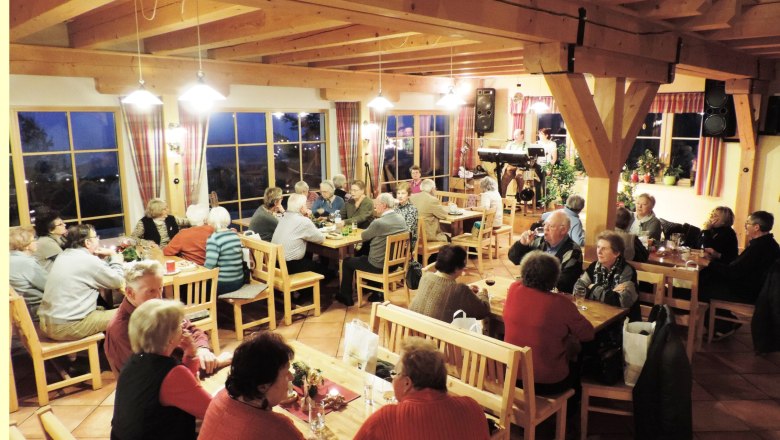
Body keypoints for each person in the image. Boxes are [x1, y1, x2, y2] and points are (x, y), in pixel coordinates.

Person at [105, 260, 230, 376]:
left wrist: (202, 349)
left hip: (184, 371)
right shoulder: (120, 329)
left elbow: (192, 330)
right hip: (160, 389)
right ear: (130, 293)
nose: (159, 297)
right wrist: (217, 362)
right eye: (151, 291)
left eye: (160, 288)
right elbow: (153, 375)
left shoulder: (158, 308)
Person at [111, 299, 211, 440]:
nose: (183, 327)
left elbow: (181, 389)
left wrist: (190, 353)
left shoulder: (133, 362)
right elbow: (211, 410)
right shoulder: (172, 373)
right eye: (179, 324)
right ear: (169, 338)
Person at [354, 337, 491, 440]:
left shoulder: (387, 419)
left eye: (395, 373)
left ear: (407, 383)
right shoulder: (473, 408)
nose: (393, 379)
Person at [503, 251, 594, 395]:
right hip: (548, 382)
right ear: (554, 277)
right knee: (578, 353)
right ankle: (572, 408)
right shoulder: (561, 303)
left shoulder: (514, 289)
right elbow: (588, 334)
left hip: (513, 375)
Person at [199, 332, 304, 440]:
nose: (291, 377)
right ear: (262, 387)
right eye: (286, 373)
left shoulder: (220, 396)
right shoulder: (278, 427)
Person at [700, 211, 780, 338]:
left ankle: (722, 327)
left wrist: (707, 263)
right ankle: (727, 322)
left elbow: (733, 272)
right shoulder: (770, 244)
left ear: (756, 227)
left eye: (747, 223)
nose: (745, 226)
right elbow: (739, 267)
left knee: (701, 288)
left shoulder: (758, 247)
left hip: (747, 292)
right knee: (708, 279)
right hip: (754, 288)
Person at [38, 224, 124, 341]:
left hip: (48, 323)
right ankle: (125, 355)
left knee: (103, 309)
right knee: (131, 311)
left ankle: (107, 347)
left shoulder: (63, 255)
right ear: (88, 242)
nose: (98, 240)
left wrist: (99, 260)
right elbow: (118, 281)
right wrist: (115, 257)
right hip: (67, 326)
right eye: (96, 237)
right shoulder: (87, 260)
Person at [337, 193, 409, 306]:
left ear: (384, 205)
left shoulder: (379, 223)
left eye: (376, 205)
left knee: (347, 262)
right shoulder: (400, 218)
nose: (375, 207)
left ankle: (346, 296)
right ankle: (376, 292)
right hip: (395, 264)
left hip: (378, 265)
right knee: (367, 254)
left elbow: (364, 236)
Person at [272, 193, 330, 300]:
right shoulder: (303, 221)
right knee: (328, 272)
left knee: (310, 260)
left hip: (276, 264)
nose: (307, 207)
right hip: (290, 266)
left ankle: (302, 292)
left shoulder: (284, 217)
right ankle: (305, 296)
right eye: (306, 205)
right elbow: (320, 238)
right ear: (302, 208)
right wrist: (308, 219)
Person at [409, 245, 490, 322]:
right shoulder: (459, 290)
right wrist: (483, 293)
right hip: (435, 335)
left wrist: (468, 293)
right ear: (457, 267)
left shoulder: (426, 277)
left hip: (414, 331)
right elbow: (483, 311)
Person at [508, 210, 583, 293]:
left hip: (556, 298)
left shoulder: (573, 251)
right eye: (545, 225)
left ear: (563, 230)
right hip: (533, 292)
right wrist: (522, 244)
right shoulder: (539, 241)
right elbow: (514, 258)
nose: (545, 229)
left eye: (550, 226)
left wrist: (531, 280)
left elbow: (563, 284)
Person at [575, 231, 639, 313]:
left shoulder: (627, 271)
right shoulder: (593, 267)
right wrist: (611, 293)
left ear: (616, 253)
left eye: (604, 248)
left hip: (621, 319)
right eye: (598, 247)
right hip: (596, 312)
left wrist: (593, 287)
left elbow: (621, 302)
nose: (599, 252)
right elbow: (577, 289)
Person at [10, 226, 47, 321]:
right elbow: (49, 285)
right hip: (37, 309)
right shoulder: (25, 262)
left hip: (22, 308)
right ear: (26, 245)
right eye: (33, 240)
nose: (36, 242)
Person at [204, 207, 244, 295]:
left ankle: (209, 308)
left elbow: (210, 265)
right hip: (239, 280)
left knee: (197, 287)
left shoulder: (214, 239)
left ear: (211, 221)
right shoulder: (234, 235)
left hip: (223, 283)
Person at [410, 179, 449, 243]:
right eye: (435, 189)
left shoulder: (412, 197)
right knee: (448, 238)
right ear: (432, 189)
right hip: (428, 236)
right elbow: (443, 215)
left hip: (414, 236)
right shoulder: (432, 200)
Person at [500, 128, 529, 196]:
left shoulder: (526, 145)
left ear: (522, 135)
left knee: (520, 177)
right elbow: (505, 155)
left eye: (516, 135)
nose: (515, 137)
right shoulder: (510, 144)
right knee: (504, 181)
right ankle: (502, 198)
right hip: (511, 167)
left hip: (521, 167)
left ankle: (520, 195)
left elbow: (527, 156)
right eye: (514, 135)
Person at [395, 181, 419, 251]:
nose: (400, 196)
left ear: (408, 195)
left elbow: (408, 230)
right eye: (398, 193)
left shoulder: (412, 209)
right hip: (395, 238)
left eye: (403, 193)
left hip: (407, 242)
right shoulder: (395, 207)